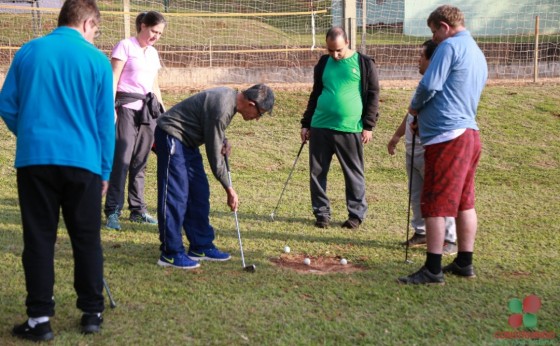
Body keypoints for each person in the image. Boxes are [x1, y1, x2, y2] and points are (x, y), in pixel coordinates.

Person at [0, 0, 114, 340]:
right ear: (87, 24)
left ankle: (39, 318)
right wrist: (105, 169)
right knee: (86, 238)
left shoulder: (28, 52)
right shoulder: (97, 60)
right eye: (96, 29)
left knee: (38, 239)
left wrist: (33, 134)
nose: (95, 35)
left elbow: (7, 106)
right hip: (84, 162)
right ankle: (92, 312)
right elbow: (105, 123)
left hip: (36, 160)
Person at [398, 5, 488, 285]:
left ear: (444, 27)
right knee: (464, 202)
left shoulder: (449, 47)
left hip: (447, 137)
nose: (434, 38)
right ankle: (464, 261)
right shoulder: (477, 52)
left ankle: (433, 269)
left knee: (434, 202)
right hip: (469, 134)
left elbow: (429, 85)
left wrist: (414, 110)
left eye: (434, 31)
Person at [154, 84, 275, 269]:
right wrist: (229, 189)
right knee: (176, 195)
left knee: (199, 192)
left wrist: (223, 140)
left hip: (188, 142)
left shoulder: (230, 101)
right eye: (260, 113)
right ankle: (170, 253)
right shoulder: (223, 107)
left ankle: (200, 246)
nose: (258, 118)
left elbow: (211, 127)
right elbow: (214, 157)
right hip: (172, 135)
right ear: (251, 104)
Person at [300, 26, 380, 229]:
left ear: (347, 43)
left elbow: (373, 95)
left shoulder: (363, 63)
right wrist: (306, 123)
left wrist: (368, 125)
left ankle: (355, 215)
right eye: (330, 50)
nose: (334, 55)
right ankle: (321, 214)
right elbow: (316, 92)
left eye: (338, 50)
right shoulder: (323, 63)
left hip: (350, 128)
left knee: (353, 173)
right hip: (320, 126)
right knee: (317, 172)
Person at [387, 40, 457, 256]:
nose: (418, 59)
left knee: (438, 196)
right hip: (412, 151)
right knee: (416, 195)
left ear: (432, 60)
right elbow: (411, 114)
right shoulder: (423, 84)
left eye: (421, 56)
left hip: (430, 152)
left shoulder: (436, 87)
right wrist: (397, 136)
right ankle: (421, 232)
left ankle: (449, 239)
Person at [104, 11, 166, 230]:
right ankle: (113, 212)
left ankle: (138, 211)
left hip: (148, 113)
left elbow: (154, 85)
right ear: (142, 25)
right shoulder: (125, 46)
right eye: (153, 31)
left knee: (141, 162)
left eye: (159, 33)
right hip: (126, 109)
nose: (156, 36)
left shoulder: (153, 53)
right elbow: (113, 77)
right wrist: (110, 108)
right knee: (121, 161)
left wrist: (163, 113)